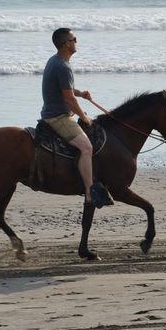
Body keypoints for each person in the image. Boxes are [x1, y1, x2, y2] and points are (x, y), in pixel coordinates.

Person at [41, 28, 112, 208]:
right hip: (58, 117)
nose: (76, 42)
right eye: (74, 39)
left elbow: (67, 91)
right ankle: (90, 192)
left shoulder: (56, 60)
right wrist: (83, 116)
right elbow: (68, 98)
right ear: (67, 44)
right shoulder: (63, 66)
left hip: (58, 112)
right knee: (87, 147)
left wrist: (81, 94)